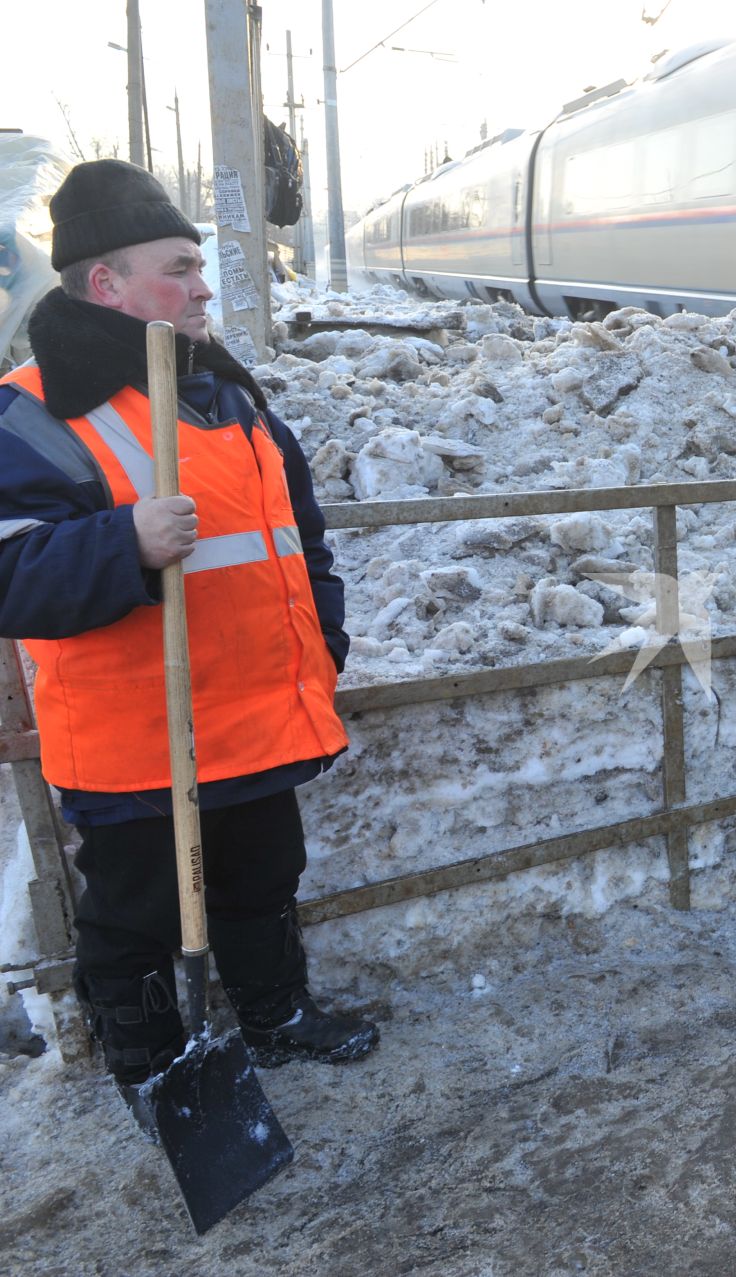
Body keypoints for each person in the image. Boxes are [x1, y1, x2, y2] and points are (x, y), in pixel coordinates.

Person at [0, 160, 377, 1122]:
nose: (205, 286)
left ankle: (275, 1013)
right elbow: (10, 572)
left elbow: (300, 534)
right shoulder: (34, 411)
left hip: (255, 715)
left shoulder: (228, 395)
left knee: (260, 876)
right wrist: (122, 542)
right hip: (138, 739)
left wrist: (320, 639)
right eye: (179, 267)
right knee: (134, 915)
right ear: (104, 284)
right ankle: (159, 1073)